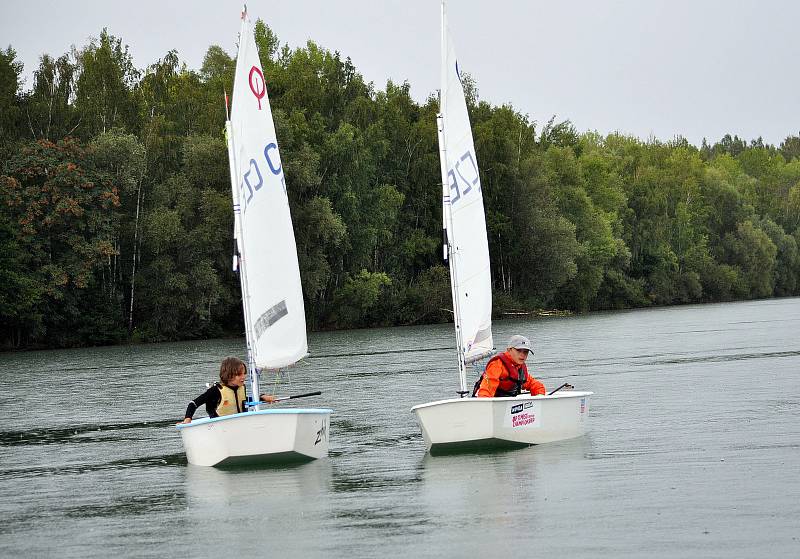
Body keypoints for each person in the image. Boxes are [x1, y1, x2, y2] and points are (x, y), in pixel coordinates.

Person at [180, 356, 276, 424]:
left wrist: (262, 398)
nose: (243, 377)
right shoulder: (215, 391)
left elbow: (243, 400)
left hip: (241, 425)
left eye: (244, 373)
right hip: (220, 428)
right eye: (239, 374)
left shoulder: (242, 388)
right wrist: (188, 419)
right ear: (228, 375)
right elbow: (193, 403)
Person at [472, 335, 546, 397]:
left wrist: (539, 398)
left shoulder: (519, 367)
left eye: (525, 352)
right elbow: (486, 390)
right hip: (486, 402)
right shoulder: (497, 365)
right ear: (509, 350)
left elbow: (536, 385)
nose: (522, 355)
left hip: (505, 404)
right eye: (519, 350)